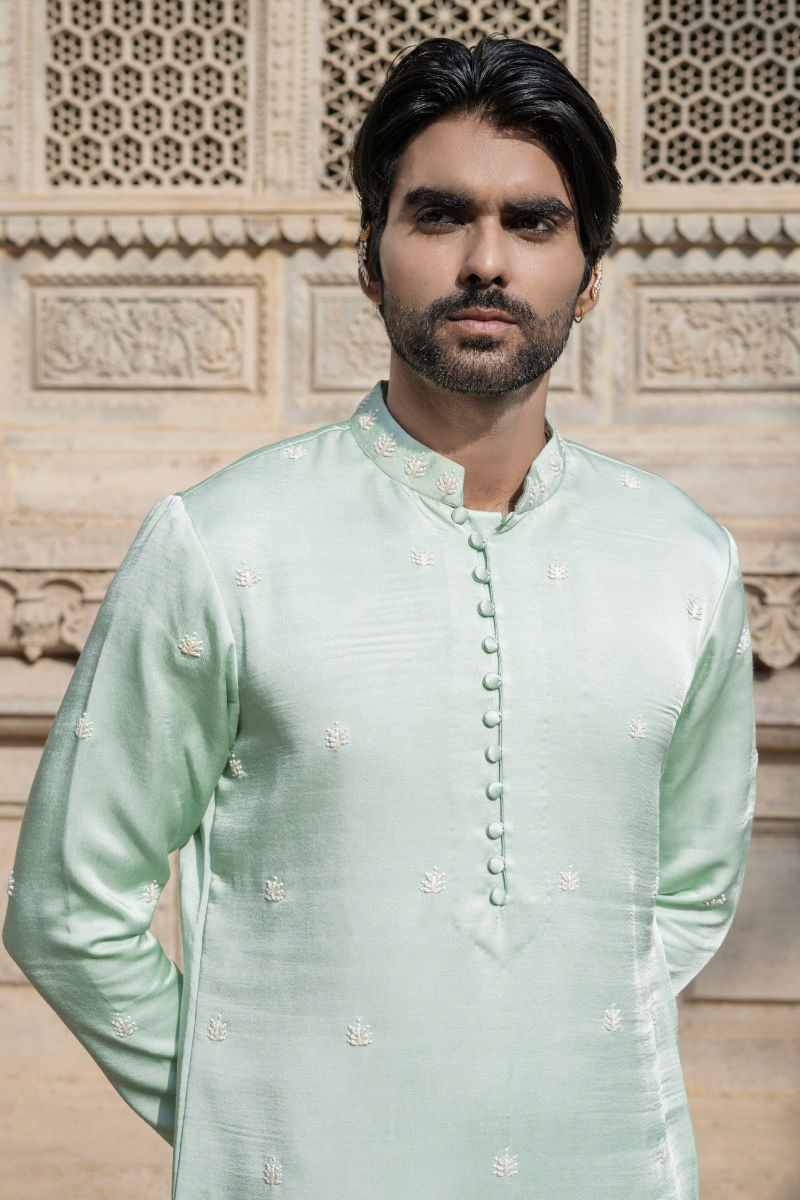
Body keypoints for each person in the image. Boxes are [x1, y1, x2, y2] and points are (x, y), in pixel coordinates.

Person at [3, 36, 756, 1200]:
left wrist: (542, 1067)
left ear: (588, 274)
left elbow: (690, 893)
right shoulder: (223, 545)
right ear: (368, 256)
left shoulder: (683, 561)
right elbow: (69, 909)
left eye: (533, 223)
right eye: (439, 215)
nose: (485, 261)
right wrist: (253, 1116)